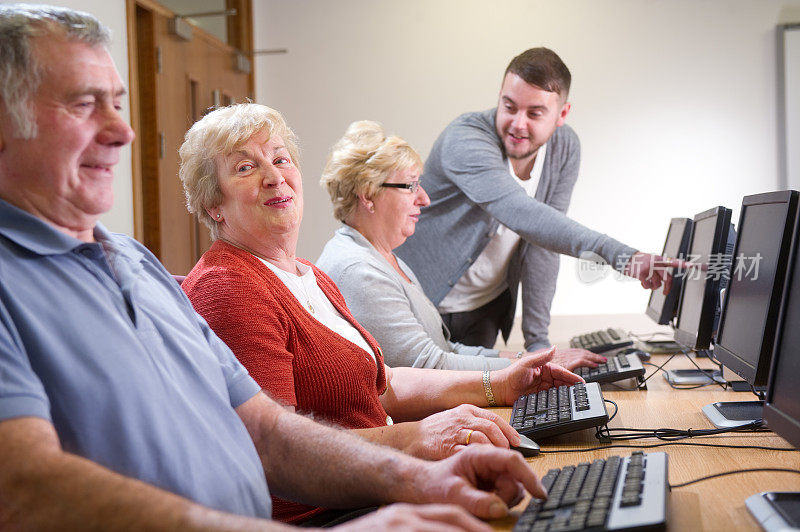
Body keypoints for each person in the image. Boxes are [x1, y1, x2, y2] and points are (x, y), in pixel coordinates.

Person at [0, 5, 550, 530]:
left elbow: (263, 430)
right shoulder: (218, 284)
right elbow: (26, 493)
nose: (124, 131)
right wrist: (405, 464)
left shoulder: (135, 263)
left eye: (118, 104)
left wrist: (419, 476)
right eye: (82, 104)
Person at [178, 103, 581, 524]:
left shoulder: (308, 275)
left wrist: (501, 384)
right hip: (329, 515)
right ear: (213, 205)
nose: (275, 175)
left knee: (547, 497)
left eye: (281, 159)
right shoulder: (229, 287)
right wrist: (415, 439)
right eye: (245, 168)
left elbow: (384, 384)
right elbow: (278, 451)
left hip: (377, 489)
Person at [396, 47, 673, 351]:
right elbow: (521, 213)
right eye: (509, 106)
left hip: (485, 309)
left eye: (534, 113)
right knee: (429, 394)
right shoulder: (466, 138)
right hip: (420, 302)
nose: (517, 123)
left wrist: (538, 343)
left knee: (480, 396)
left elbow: (543, 245)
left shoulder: (564, 149)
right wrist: (621, 254)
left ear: (561, 115)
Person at [317, 120, 606, 372]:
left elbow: (447, 350)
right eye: (411, 186)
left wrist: (533, 358)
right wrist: (530, 365)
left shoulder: (384, 258)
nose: (424, 199)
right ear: (368, 195)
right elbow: (430, 366)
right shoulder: (359, 271)